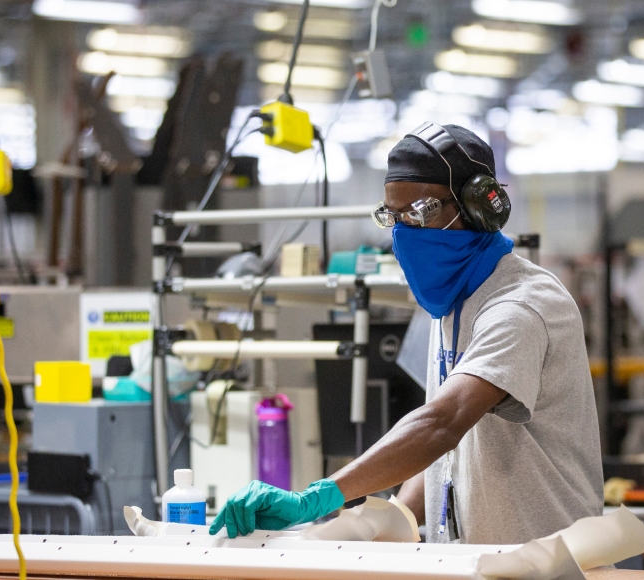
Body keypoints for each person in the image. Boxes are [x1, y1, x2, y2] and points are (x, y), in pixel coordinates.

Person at [209, 122, 603, 545]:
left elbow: (442, 424)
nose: (404, 234)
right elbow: (447, 456)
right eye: (393, 217)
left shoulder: (521, 307)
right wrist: (386, 520)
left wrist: (317, 498)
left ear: (479, 206)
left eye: (420, 212)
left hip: (551, 566)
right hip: (479, 567)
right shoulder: (451, 306)